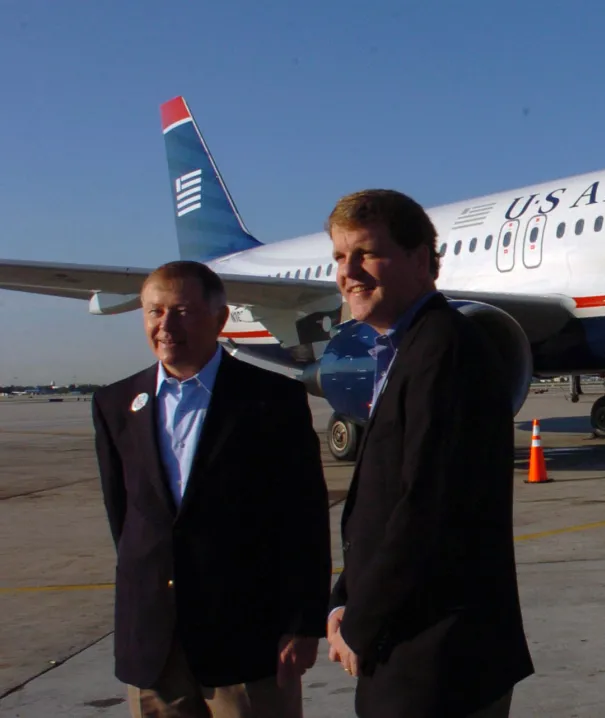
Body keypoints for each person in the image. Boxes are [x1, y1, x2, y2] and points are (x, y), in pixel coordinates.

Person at [324, 189, 534, 717]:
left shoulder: (444, 349)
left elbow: (427, 509)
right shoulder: (415, 346)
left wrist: (360, 621)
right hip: (418, 645)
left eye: (367, 254)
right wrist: (345, 596)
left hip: (435, 655)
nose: (349, 272)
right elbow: (387, 498)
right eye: (339, 258)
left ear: (422, 260)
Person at [91, 261, 330, 717]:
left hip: (248, 639)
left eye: (181, 311)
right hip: (155, 645)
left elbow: (304, 518)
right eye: (154, 312)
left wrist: (303, 623)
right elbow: (124, 518)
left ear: (221, 320)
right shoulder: (116, 403)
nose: (166, 325)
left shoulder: (271, 400)